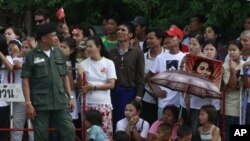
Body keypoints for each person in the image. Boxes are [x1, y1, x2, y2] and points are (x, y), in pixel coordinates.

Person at [21, 23, 76, 140]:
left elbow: (64, 75)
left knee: (69, 131)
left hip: (60, 100)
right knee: (41, 135)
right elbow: (25, 80)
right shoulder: (31, 55)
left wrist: (70, 97)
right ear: (44, 38)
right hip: (40, 103)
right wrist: (28, 103)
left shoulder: (59, 52)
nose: (56, 38)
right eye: (53, 36)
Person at [77, 36, 116, 138]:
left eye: (90, 46)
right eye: (87, 46)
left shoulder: (108, 63)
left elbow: (111, 84)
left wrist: (93, 87)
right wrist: (80, 75)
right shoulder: (82, 64)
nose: (88, 49)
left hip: (103, 103)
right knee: (88, 135)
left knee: (105, 133)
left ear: (98, 47)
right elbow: (79, 86)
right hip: (87, 103)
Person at [109, 22, 145, 130]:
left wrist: (138, 96)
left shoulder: (137, 52)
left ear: (130, 35)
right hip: (113, 91)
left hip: (129, 91)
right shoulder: (111, 52)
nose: (119, 32)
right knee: (112, 119)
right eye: (118, 29)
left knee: (126, 119)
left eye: (123, 30)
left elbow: (140, 75)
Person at [147, 26, 185, 119]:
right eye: (167, 37)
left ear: (179, 39)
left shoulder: (185, 57)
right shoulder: (160, 57)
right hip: (164, 102)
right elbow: (149, 77)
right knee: (162, 128)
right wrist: (156, 91)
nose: (168, 39)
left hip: (180, 103)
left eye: (172, 37)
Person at [141, 28, 166, 126]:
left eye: (152, 38)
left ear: (160, 39)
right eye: (147, 39)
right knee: (148, 124)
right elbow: (141, 77)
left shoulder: (167, 55)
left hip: (165, 97)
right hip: (148, 97)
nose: (149, 41)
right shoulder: (143, 56)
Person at [222, 40, 244, 141]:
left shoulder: (245, 65)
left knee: (239, 137)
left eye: (234, 50)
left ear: (241, 52)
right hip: (229, 109)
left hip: (243, 110)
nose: (231, 52)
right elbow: (232, 85)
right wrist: (232, 70)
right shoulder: (225, 66)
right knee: (228, 137)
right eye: (229, 50)